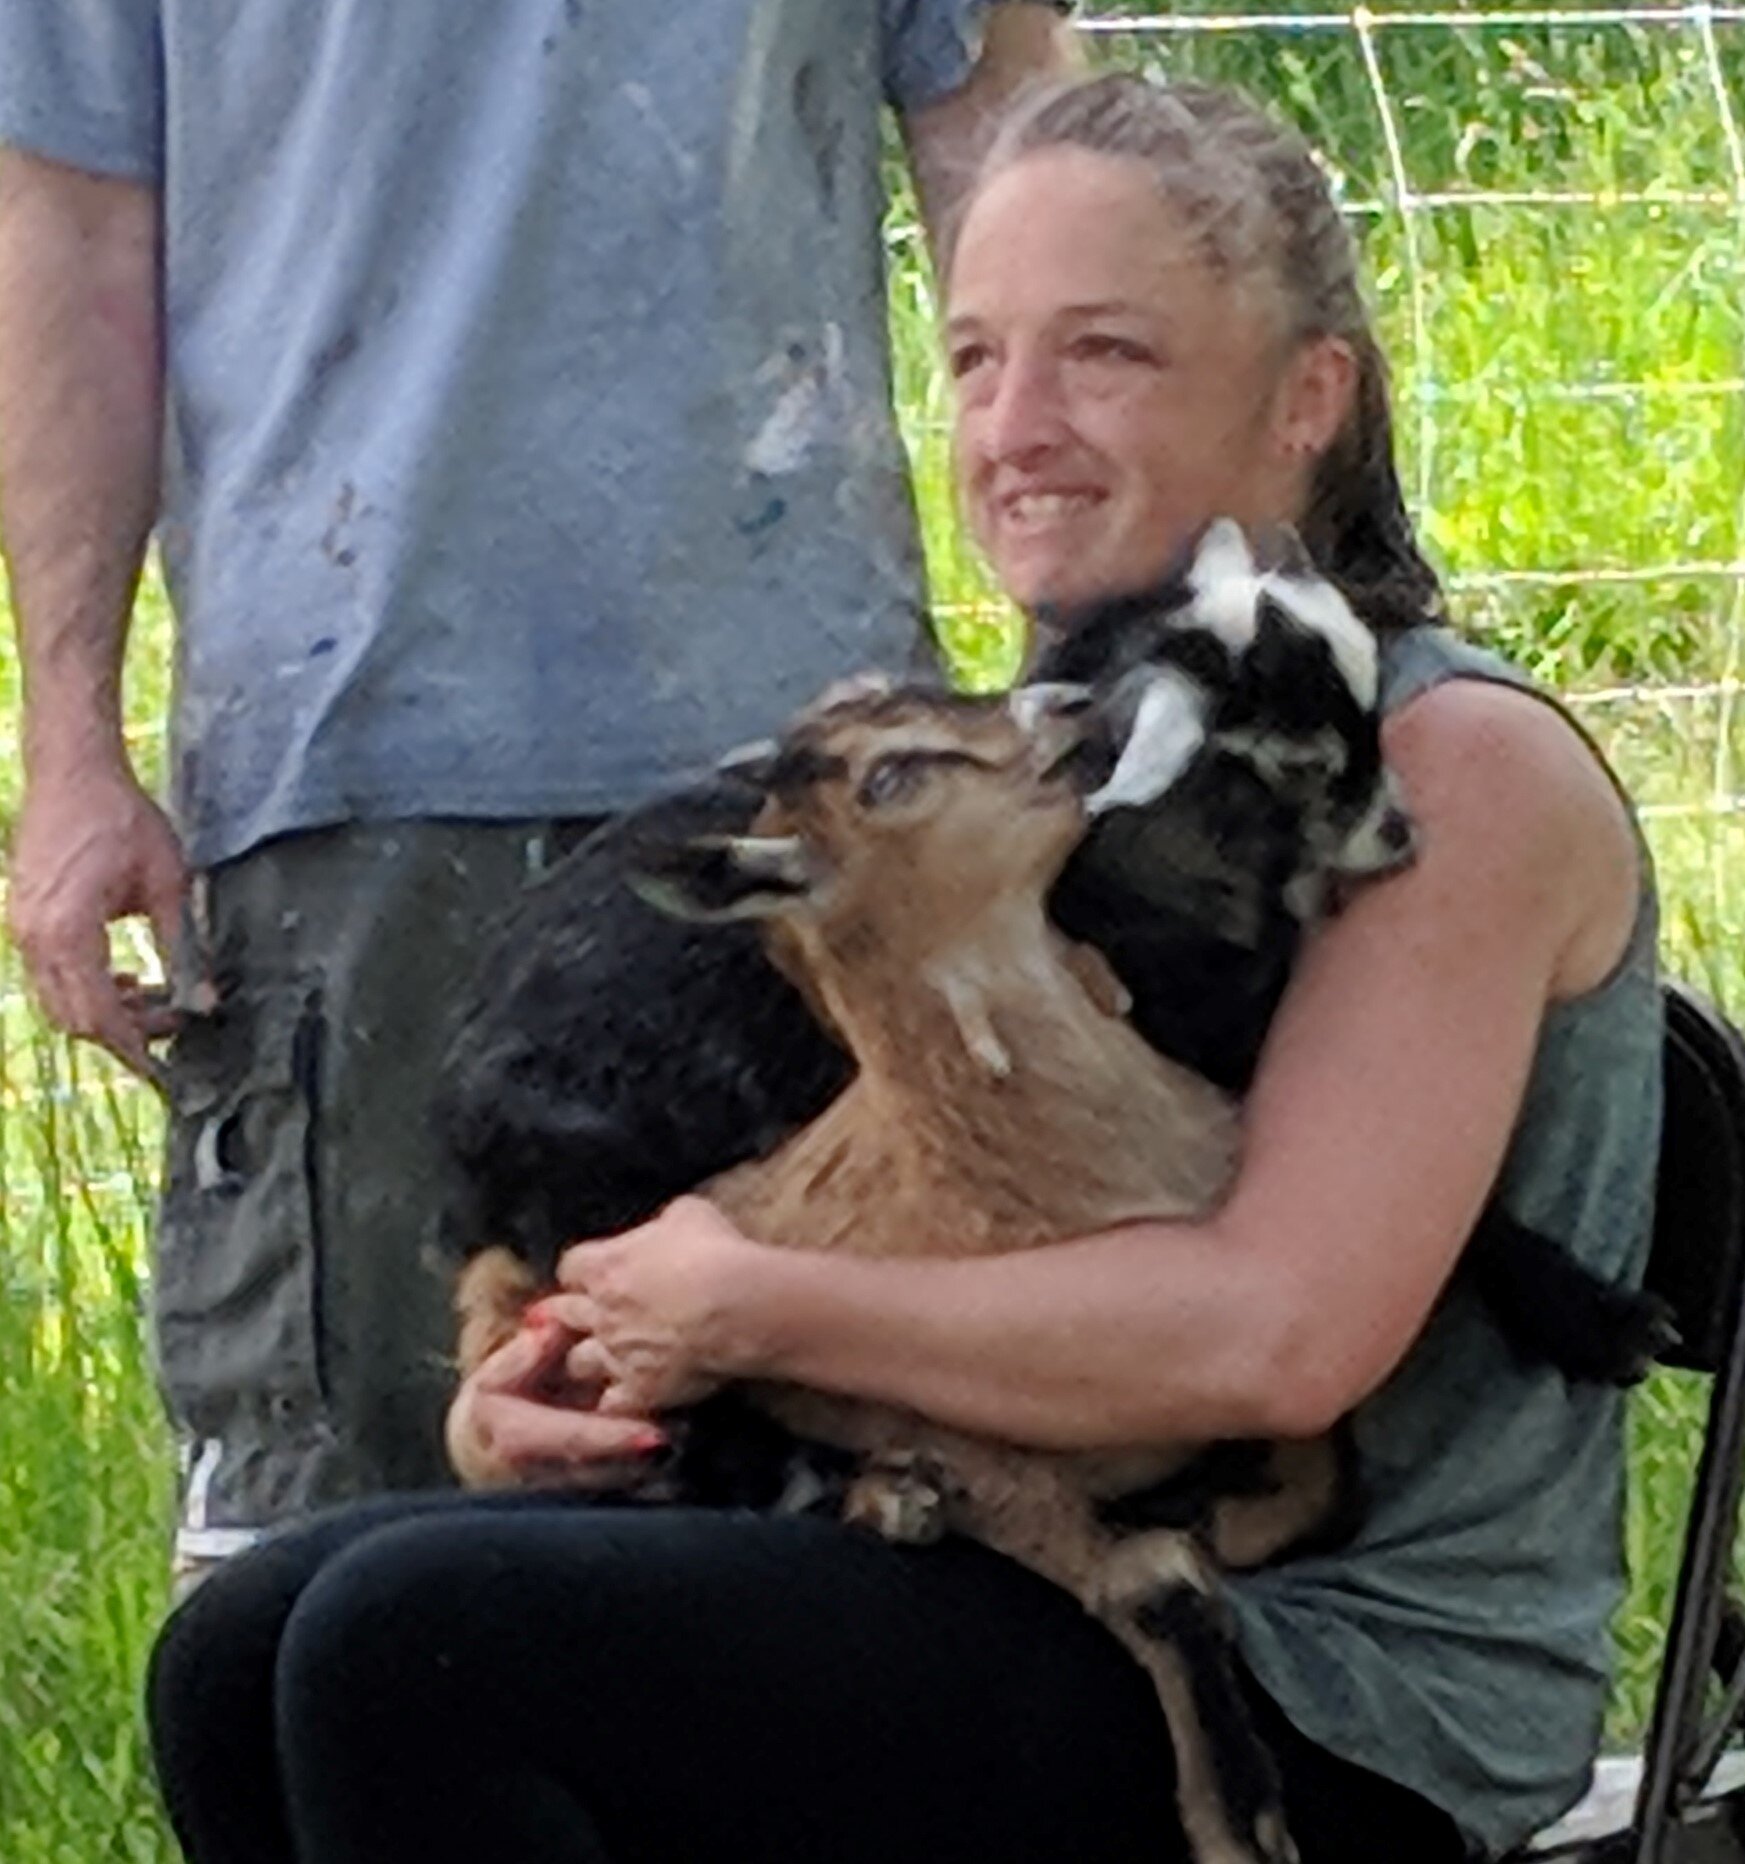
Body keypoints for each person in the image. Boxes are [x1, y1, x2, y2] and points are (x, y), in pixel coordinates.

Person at [144, 72, 1664, 1864]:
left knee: (414, 1656)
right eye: (971, 359)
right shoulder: (1021, 770)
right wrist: (593, 1355)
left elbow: (1273, 1339)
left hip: (1321, 1670)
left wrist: (753, 1313)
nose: (1014, 423)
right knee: (248, 1643)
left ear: (1303, 402)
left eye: (1104, 354)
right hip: (991, 1531)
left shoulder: (1440, 771)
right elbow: (894, 1199)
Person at [0, 1, 1080, 1574]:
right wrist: (74, 753)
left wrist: (1079, 653)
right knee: (347, 1564)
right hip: (349, 789)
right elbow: (74, 225)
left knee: (861, 1511)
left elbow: (1013, 145)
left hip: (815, 817)